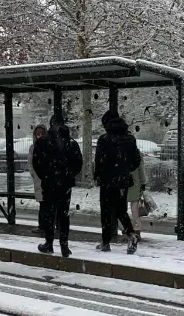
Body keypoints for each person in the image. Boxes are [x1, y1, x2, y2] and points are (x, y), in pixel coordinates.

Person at [93, 106, 142, 254]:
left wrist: (99, 175)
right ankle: (131, 234)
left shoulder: (104, 139)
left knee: (106, 211)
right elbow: (136, 160)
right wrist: (125, 169)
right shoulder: (130, 138)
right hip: (123, 180)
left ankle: (106, 242)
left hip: (108, 180)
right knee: (121, 211)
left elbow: (99, 161)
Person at [33, 117, 84, 258]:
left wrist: (46, 176)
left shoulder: (43, 142)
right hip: (65, 185)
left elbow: (36, 163)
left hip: (49, 184)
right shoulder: (71, 143)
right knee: (63, 214)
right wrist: (68, 175)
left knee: (49, 214)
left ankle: (49, 243)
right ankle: (64, 245)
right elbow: (78, 163)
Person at [28, 124, 47, 234]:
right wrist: (34, 174)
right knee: (42, 203)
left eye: (41, 133)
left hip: (47, 179)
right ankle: (42, 226)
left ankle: (46, 225)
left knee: (46, 203)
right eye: (37, 133)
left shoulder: (49, 145)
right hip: (38, 179)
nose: (39, 135)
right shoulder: (33, 147)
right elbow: (30, 163)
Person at [123, 157, 147, 241]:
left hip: (123, 183)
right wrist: (143, 182)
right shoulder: (137, 153)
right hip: (135, 183)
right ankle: (136, 232)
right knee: (135, 211)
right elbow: (141, 169)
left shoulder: (120, 150)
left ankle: (126, 231)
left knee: (122, 211)